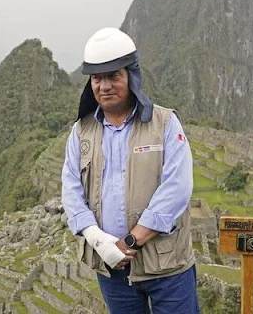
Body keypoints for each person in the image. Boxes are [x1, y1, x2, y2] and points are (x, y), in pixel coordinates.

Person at [61, 28, 200, 313]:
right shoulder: (81, 132)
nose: (105, 85)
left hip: (167, 267)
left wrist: (131, 241)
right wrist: (99, 240)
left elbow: (178, 187)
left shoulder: (165, 124)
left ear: (131, 77)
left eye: (114, 76)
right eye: (97, 78)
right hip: (111, 269)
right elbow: (71, 190)